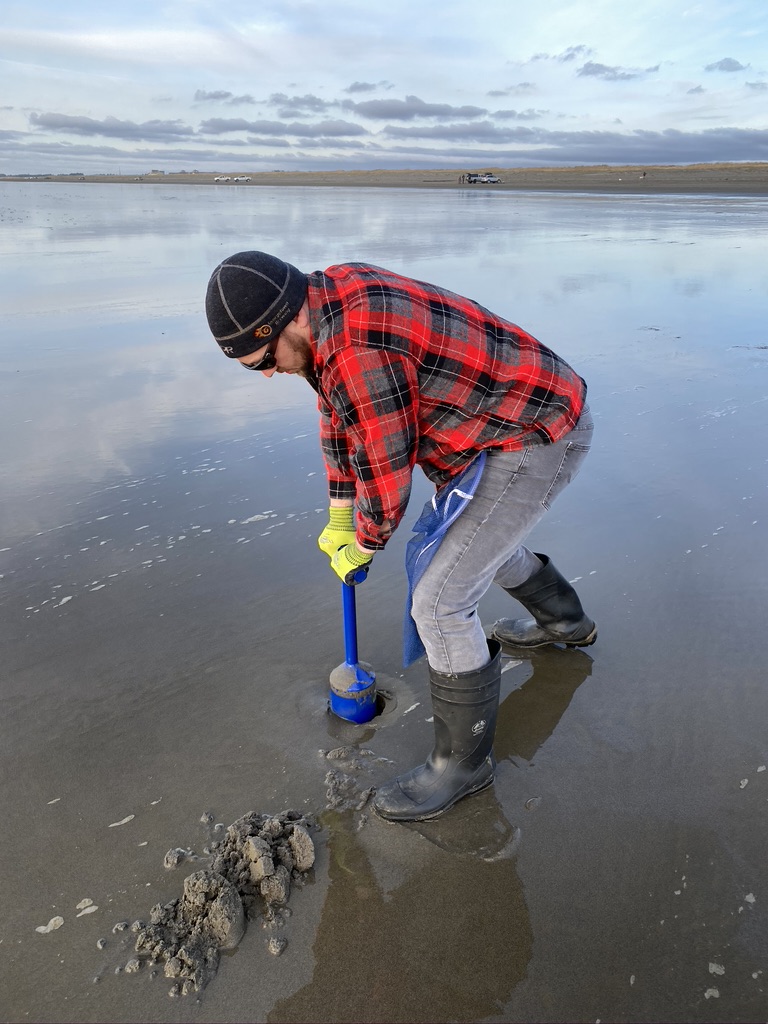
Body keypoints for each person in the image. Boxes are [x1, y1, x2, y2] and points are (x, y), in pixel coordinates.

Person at [205, 251, 596, 822]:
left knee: (439, 600)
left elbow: (389, 475)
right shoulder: (327, 304)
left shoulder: (358, 350)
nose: (265, 374)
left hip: (537, 431)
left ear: (286, 320)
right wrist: (339, 512)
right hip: (494, 425)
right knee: (474, 542)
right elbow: (338, 414)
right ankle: (564, 621)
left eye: (262, 360)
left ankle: (463, 765)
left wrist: (363, 540)